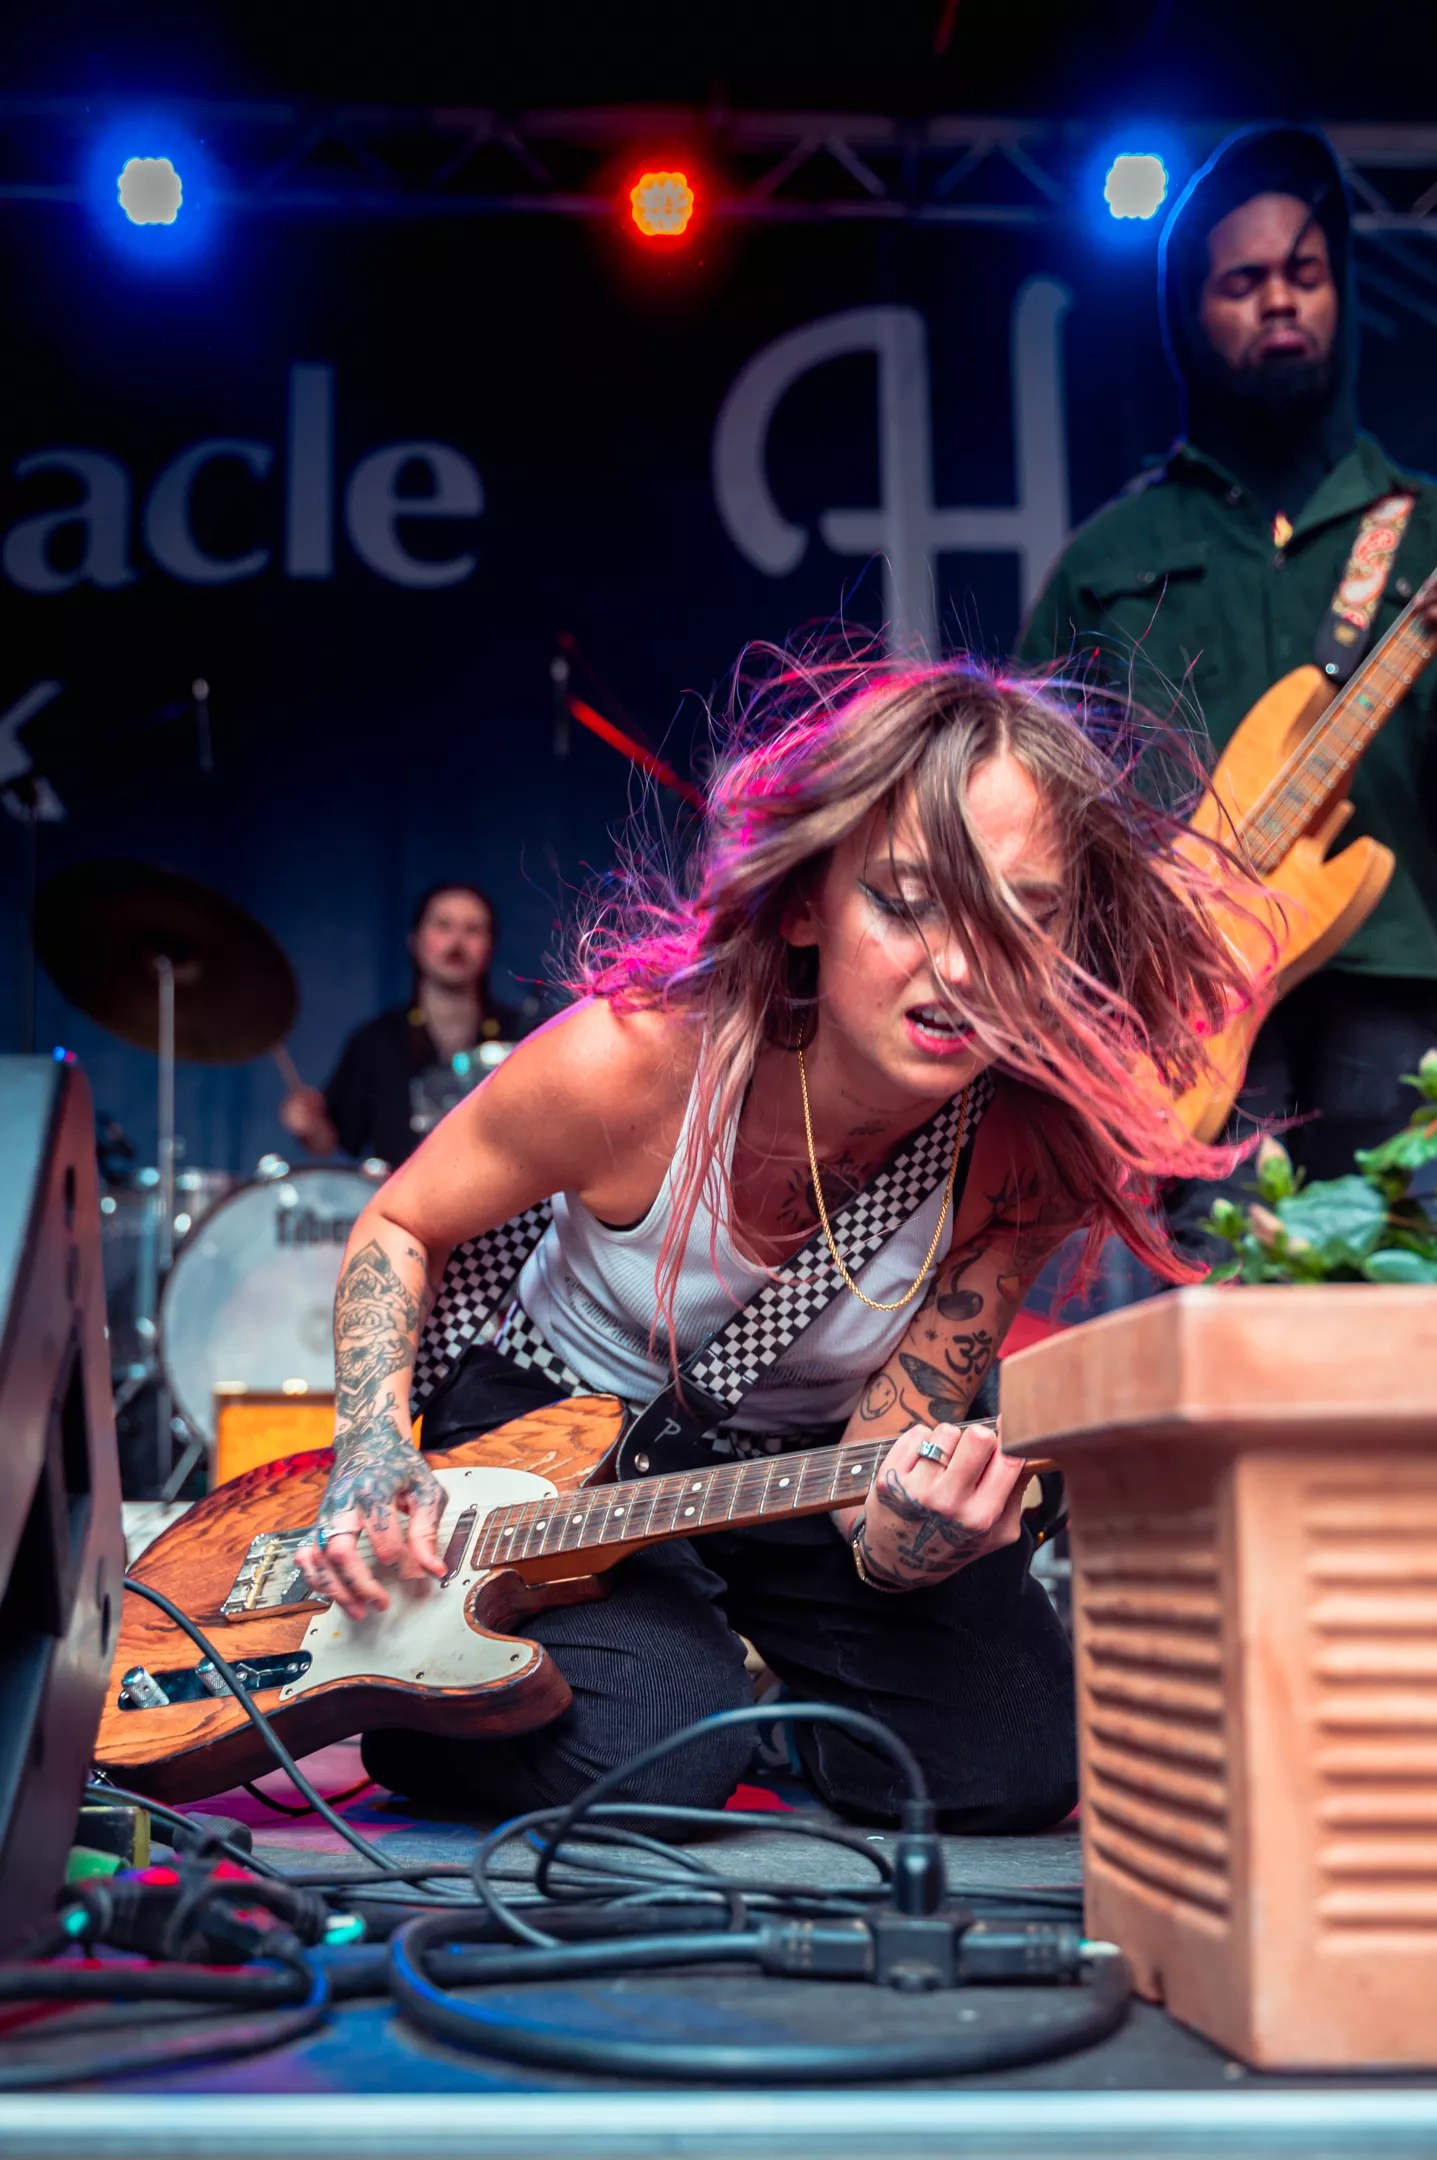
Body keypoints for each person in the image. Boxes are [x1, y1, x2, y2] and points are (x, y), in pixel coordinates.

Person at [293, 660, 1254, 1831]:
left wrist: (927, 1532)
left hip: (799, 1469)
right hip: (553, 1437)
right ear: (806, 905)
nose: (962, 970)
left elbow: (881, 1486)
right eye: (907, 903)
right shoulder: (636, 1059)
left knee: (1015, 1763)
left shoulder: (1024, 1146)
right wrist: (371, 1452)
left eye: (1020, 916)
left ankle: (772, 1707)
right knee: (654, 1756)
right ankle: (462, 1704)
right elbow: (400, 1220)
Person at [1019, 125, 1437, 1243]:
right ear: (1188, 317)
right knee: (1220, 1320)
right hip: (1189, 1024)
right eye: (1241, 282)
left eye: (1304, 274)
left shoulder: (1419, 532)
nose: (1279, 301)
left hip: (1400, 1001)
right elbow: (1023, 815)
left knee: (1414, 1323)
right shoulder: (1110, 558)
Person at [280, 882, 531, 1171]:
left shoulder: (522, 1035)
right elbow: (332, 1139)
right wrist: (308, 1124)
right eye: (443, 925)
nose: (457, 941)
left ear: (490, 946)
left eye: (472, 929)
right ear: (415, 940)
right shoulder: (376, 1040)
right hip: (405, 1196)